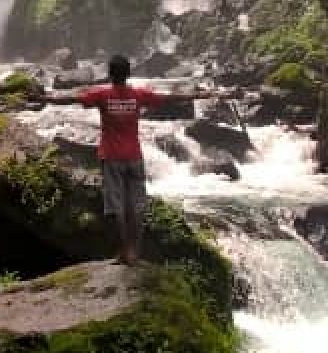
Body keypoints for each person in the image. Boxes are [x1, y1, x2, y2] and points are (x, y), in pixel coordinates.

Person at [48, 54, 221, 264]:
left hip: (112, 158)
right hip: (134, 157)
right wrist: (202, 95)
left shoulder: (102, 95)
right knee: (137, 206)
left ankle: (124, 251)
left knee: (117, 206)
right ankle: (135, 252)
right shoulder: (138, 95)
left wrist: (41, 98)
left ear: (109, 75)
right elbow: (168, 97)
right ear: (128, 74)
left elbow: (70, 99)